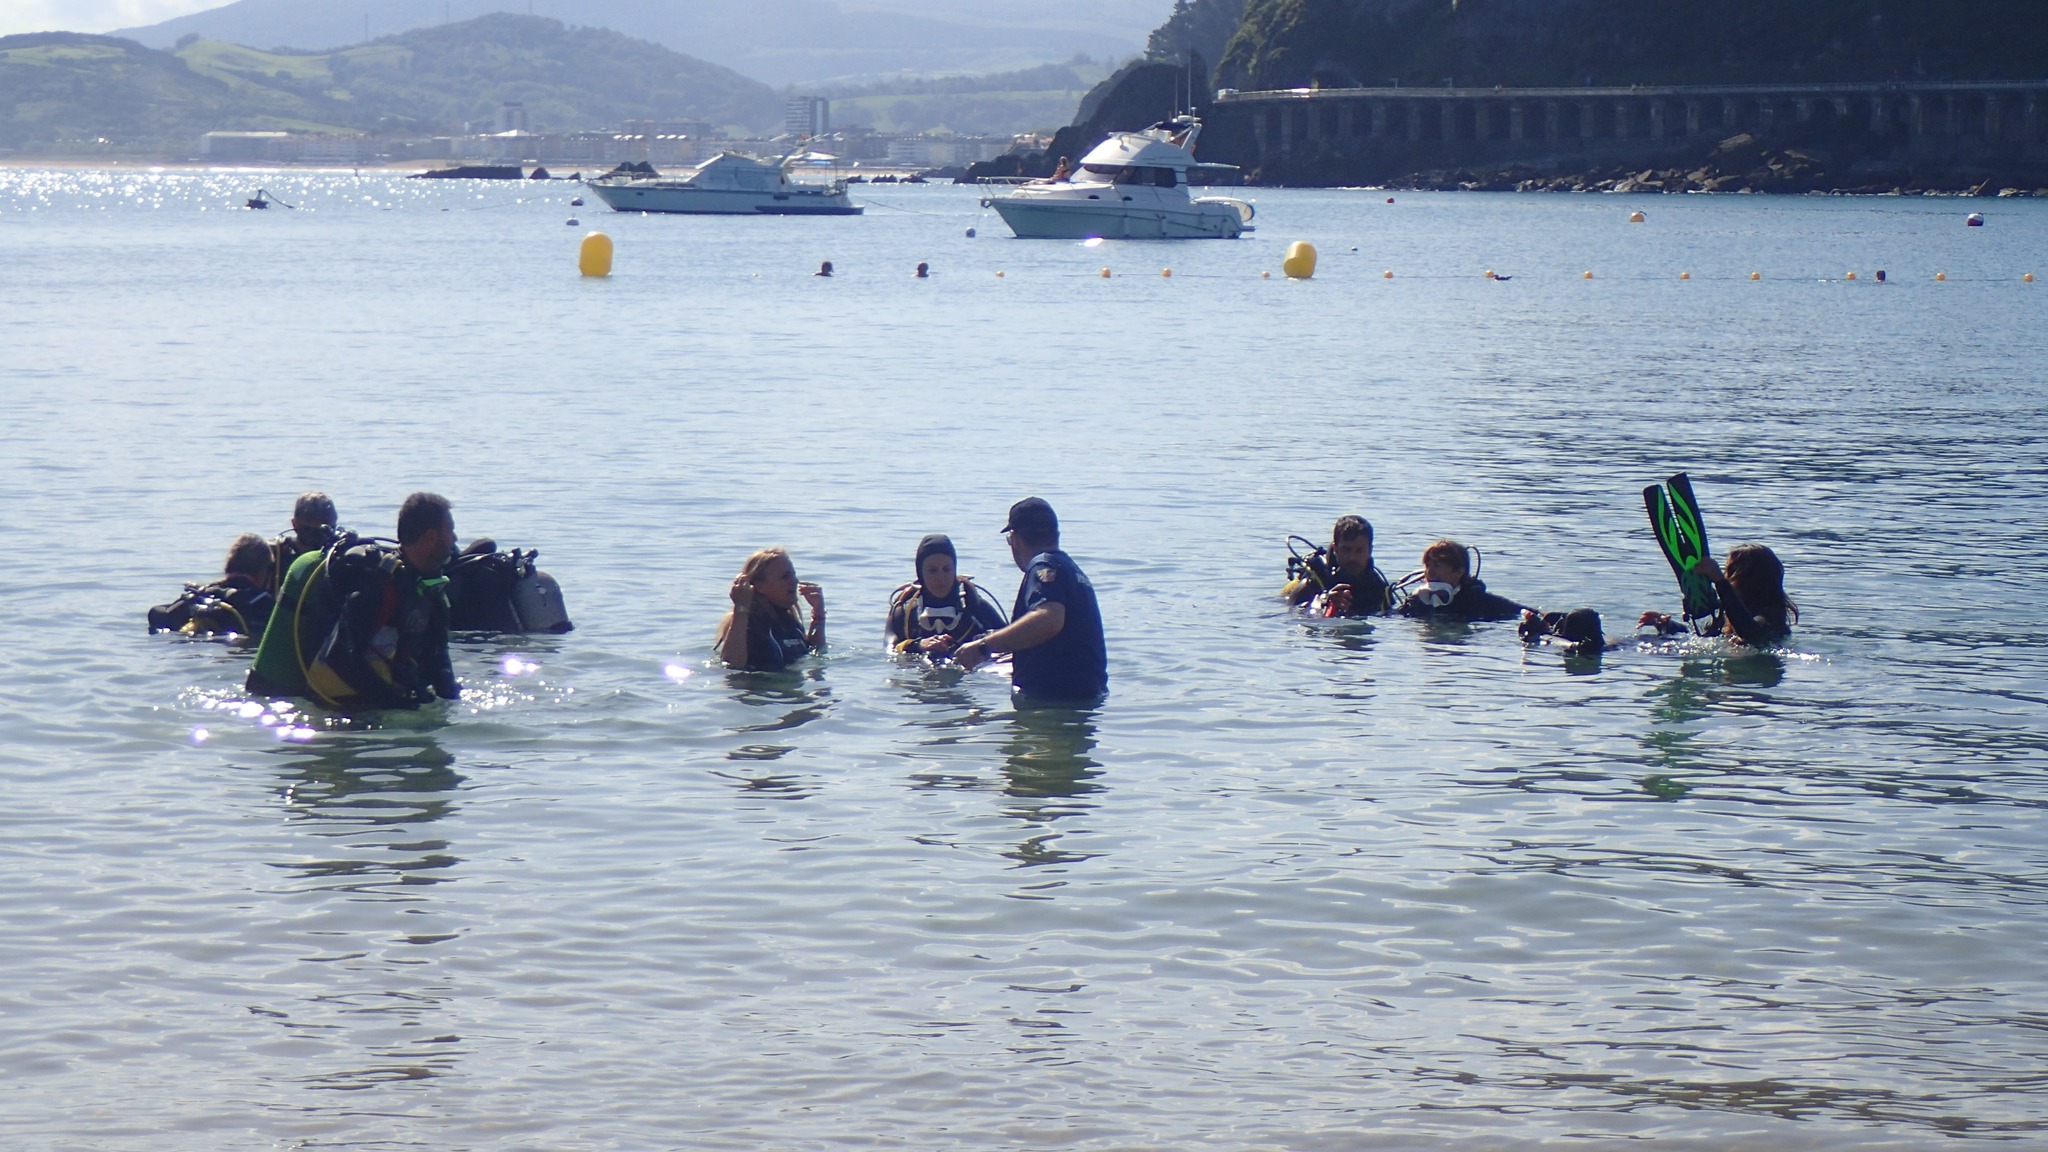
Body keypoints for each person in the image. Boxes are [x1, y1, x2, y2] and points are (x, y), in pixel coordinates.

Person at [246, 492, 462, 710]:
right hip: (341, 712)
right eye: (451, 530)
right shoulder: (378, 587)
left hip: (381, 703)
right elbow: (339, 657)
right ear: (431, 537)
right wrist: (397, 703)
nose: (454, 539)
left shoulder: (430, 591)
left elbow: (439, 661)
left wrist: (450, 702)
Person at [954, 498, 1107, 701]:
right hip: (1088, 694)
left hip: (1051, 701)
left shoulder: (1042, 565)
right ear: (1056, 535)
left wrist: (984, 647)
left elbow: (1049, 618)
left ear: (1015, 538)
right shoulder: (1071, 570)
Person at [1640, 544, 1795, 647]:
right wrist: (1667, 625)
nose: (1726, 578)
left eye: (1728, 573)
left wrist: (1720, 582)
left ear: (1747, 580)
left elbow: (1751, 633)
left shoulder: (1771, 617)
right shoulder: (1727, 613)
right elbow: (1703, 637)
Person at [886, 534, 1007, 659]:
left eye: (946, 569)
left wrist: (980, 643)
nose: (941, 578)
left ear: (954, 570)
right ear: (920, 572)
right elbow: (889, 648)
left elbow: (1009, 641)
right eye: (933, 570)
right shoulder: (904, 611)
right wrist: (918, 645)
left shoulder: (975, 606)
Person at [147, 532, 276, 639]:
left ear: (228, 565)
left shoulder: (205, 595)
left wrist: (198, 594)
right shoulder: (263, 600)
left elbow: (156, 614)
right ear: (263, 572)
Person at [717, 547, 825, 671]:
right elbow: (731, 665)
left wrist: (818, 615)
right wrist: (740, 608)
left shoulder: (788, 621)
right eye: (785, 577)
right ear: (760, 587)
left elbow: (816, 653)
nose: (794, 581)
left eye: (793, 575)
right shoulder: (749, 625)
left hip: (790, 688)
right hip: (760, 688)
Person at [1286, 514, 1392, 617]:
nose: (1352, 557)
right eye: (1346, 550)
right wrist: (1323, 603)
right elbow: (1290, 615)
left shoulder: (1379, 590)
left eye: (1359, 551)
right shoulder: (1315, 582)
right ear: (1335, 549)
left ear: (1370, 551)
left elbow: (1390, 617)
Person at [1396, 539, 1525, 621]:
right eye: (1428, 565)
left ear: (1458, 572)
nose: (1430, 572)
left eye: (1437, 565)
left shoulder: (1477, 600)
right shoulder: (1415, 602)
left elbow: (1525, 613)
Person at [269, 491, 342, 597]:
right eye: (310, 531)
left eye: (326, 531)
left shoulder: (341, 558)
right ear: (295, 524)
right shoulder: (275, 555)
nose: (318, 538)